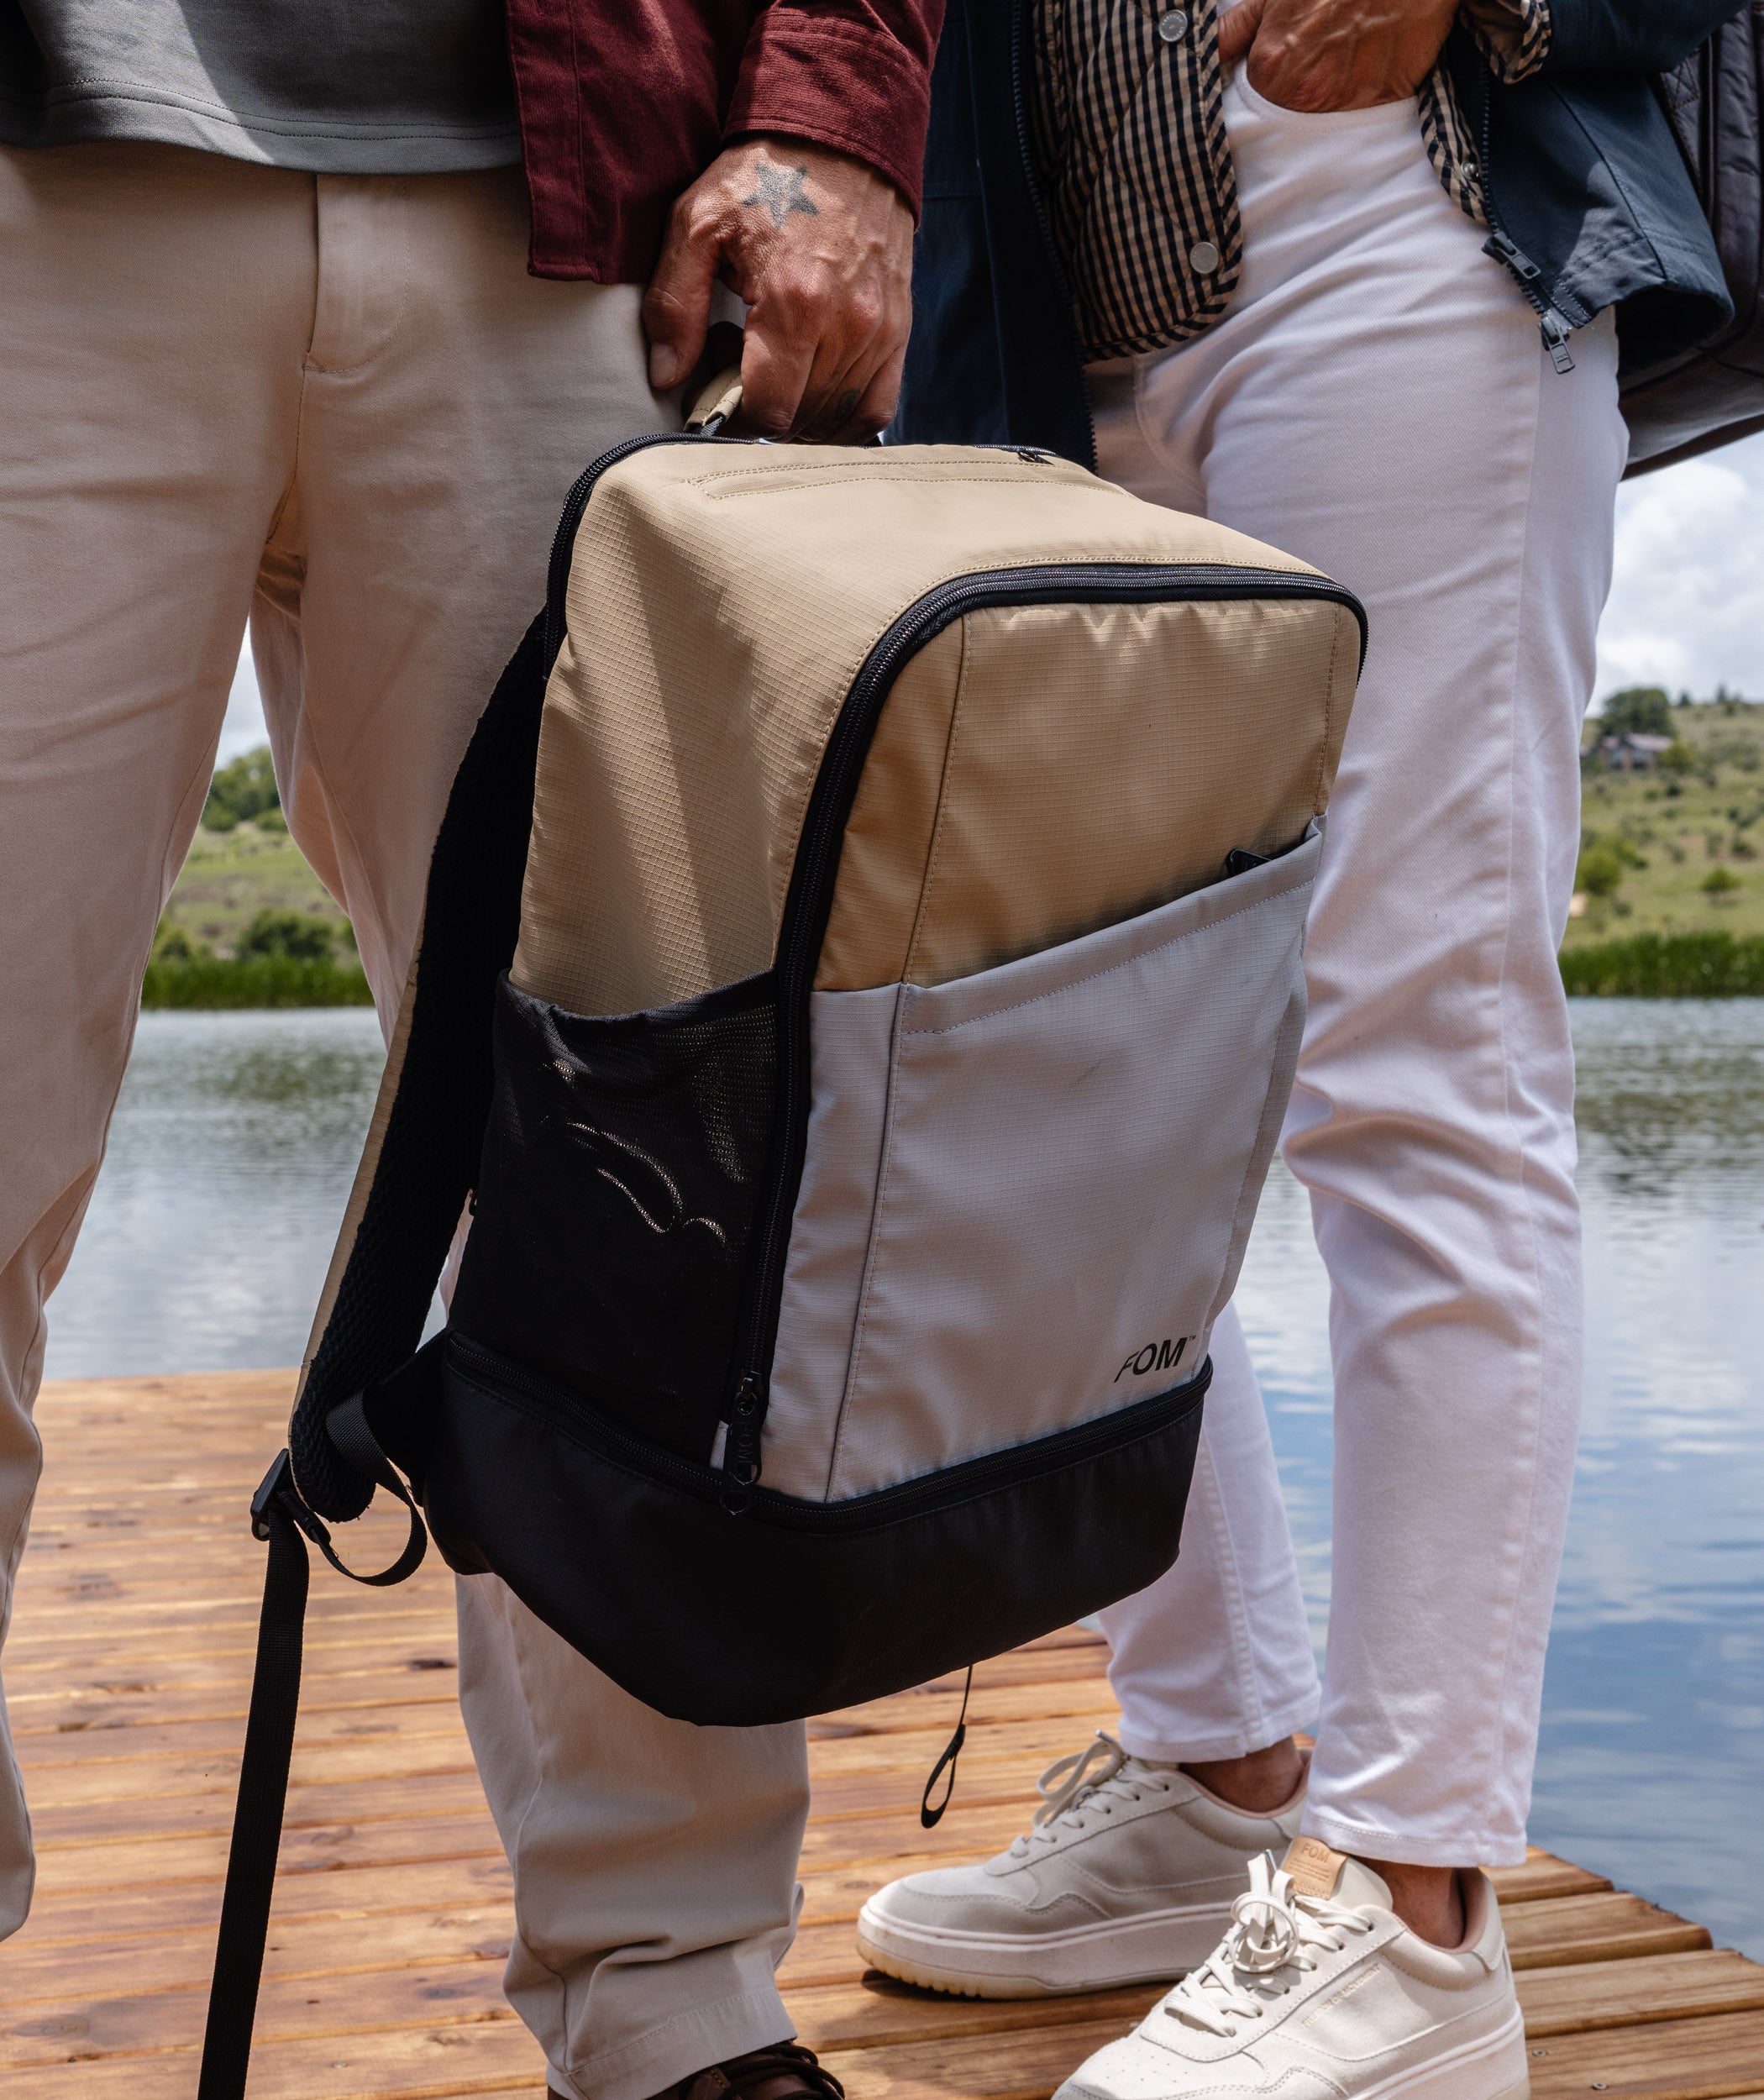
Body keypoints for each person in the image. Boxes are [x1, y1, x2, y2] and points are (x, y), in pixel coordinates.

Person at [0, 8, 938, 2097]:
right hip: (39, 178)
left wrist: (840, 116)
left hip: (578, 205)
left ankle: (675, 1993)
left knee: (631, 1151)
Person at [868, 4, 1742, 2098]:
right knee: (1053, 1076)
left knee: (1416, 1062)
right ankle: (1217, 1762)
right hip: (1045, 314)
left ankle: (1419, 1915)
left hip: (1391, 218)